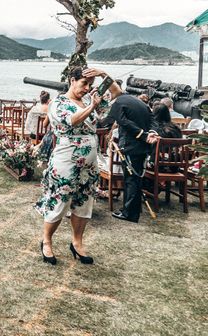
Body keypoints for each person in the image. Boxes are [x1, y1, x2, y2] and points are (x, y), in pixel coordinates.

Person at [35, 66, 105, 266]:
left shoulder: (86, 100)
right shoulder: (59, 103)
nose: (86, 88)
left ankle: (77, 243)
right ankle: (47, 241)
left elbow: (118, 94)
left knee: (84, 202)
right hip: (66, 160)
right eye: (84, 83)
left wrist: (103, 74)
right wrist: (91, 107)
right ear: (72, 80)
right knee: (60, 200)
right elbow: (72, 121)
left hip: (89, 162)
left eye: (90, 85)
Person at [91, 69, 158, 224]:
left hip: (132, 146)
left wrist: (143, 135)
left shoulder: (118, 105)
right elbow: (151, 116)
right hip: (142, 147)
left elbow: (123, 123)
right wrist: (152, 132)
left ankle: (130, 213)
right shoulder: (134, 100)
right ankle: (132, 209)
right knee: (135, 178)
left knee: (131, 180)